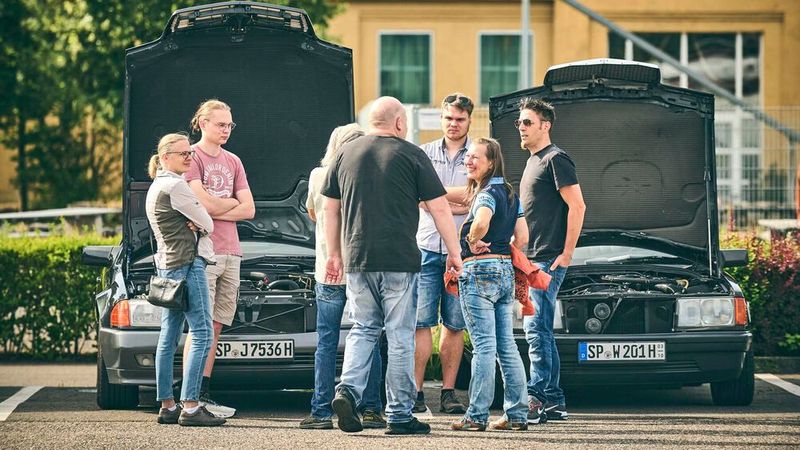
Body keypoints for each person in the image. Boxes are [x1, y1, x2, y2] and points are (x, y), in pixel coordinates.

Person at [322, 97, 463, 435]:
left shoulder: (345, 154)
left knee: (363, 328)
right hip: (399, 259)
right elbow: (440, 208)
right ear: (400, 123)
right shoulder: (412, 153)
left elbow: (330, 208)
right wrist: (455, 252)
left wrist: (334, 254)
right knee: (399, 335)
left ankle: (347, 391)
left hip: (357, 258)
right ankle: (399, 415)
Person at [299, 124, 386, 430]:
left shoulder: (317, 175)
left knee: (326, 341)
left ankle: (321, 411)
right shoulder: (368, 175)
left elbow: (312, 213)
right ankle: (373, 408)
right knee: (368, 336)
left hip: (327, 269)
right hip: (361, 267)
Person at [449, 137, 530, 432]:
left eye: (475, 157)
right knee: (506, 346)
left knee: (483, 346)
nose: (468, 161)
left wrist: (472, 239)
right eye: (467, 156)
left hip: (479, 271)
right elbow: (523, 238)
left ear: (492, 162)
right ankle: (517, 414)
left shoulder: (486, 193)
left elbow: (481, 222)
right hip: (505, 269)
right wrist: (500, 247)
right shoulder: (511, 194)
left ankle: (476, 416)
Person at [145, 133, 225, 427]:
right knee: (203, 332)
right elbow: (208, 222)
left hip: (167, 267)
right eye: (183, 154)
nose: (189, 158)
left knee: (168, 335)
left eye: (190, 153)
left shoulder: (156, 186)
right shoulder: (176, 186)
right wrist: (200, 224)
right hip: (189, 265)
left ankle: (167, 405)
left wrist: (198, 222)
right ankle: (191, 407)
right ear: (165, 157)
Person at [184, 99, 255, 418]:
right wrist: (225, 204)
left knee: (215, 326)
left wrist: (215, 204)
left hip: (232, 252)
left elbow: (250, 209)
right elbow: (203, 205)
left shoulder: (234, 160)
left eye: (230, 125)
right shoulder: (192, 157)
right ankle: (189, 396)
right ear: (202, 123)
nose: (226, 130)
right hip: (203, 253)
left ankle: (204, 393)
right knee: (200, 327)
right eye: (220, 124)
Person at [517, 98, 586, 424]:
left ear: (545, 125)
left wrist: (567, 253)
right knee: (540, 328)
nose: (521, 127)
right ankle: (554, 401)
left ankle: (537, 397)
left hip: (548, 261)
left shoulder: (556, 159)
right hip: (533, 261)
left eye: (527, 122)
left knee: (535, 330)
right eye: (520, 123)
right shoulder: (533, 161)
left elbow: (578, 206)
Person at [414, 93, 472, 415]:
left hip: (460, 252)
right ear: (442, 119)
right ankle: (416, 392)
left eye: (460, 119)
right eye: (449, 118)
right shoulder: (423, 153)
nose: (454, 124)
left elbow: (475, 197)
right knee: (420, 323)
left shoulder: (477, 155)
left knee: (454, 324)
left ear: (468, 121)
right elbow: (418, 197)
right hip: (425, 249)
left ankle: (449, 393)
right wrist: (453, 200)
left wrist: (436, 196)